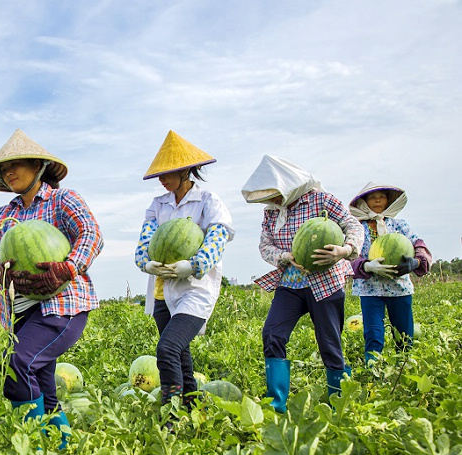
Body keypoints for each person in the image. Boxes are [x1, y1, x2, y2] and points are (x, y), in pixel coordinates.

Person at [0, 129, 103, 449]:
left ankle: (34, 448)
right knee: (42, 381)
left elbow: (90, 233)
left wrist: (67, 267)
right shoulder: (1, 217)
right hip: (21, 310)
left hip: (63, 304)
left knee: (17, 367)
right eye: (2, 169)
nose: (8, 172)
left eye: (16, 164)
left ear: (39, 166)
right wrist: (2, 275)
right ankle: (62, 449)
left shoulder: (64, 200)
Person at [242, 155, 363, 413]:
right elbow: (265, 246)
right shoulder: (271, 213)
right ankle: (277, 405)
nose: (272, 200)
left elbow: (352, 224)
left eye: (274, 193)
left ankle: (338, 403)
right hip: (290, 284)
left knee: (329, 343)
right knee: (272, 333)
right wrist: (285, 256)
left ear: (287, 185)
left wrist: (344, 250)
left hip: (326, 282)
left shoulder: (321, 199)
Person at [133, 130, 234, 408]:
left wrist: (193, 265)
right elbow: (144, 243)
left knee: (167, 348)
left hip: (195, 290)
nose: (162, 180)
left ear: (186, 170)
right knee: (181, 356)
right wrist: (147, 263)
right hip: (163, 290)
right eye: (159, 175)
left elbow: (218, 235)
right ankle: (191, 407)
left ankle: (171, 414)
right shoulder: (157, 205)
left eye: (167, 174)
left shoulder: (208, 201)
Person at [348, 182, 431, 364]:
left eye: (382, 196)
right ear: (364, 202)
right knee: (374, 334)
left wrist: (416, 261)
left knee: (404, 333)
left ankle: (404, 367)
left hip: (399, 288)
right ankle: (373, 371)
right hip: (371, 290)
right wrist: (367, 266)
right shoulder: (357, 228)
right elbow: (349, 255)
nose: (377, 199)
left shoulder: (400, 225)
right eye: (372, 196)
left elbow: (418, 244)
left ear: (388, 201)